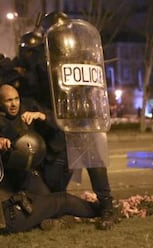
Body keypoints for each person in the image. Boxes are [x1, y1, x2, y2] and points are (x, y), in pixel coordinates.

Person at [38, 11, 118, 230]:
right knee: (57, 172)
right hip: (60, 126)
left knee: (96, 166)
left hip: (83, 122)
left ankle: (108, 209)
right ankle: (56, 208)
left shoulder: (82, 57)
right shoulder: (43, 61)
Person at [0, 83, 101, 232]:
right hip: (7, 178)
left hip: (30, 173)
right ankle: (91, 212)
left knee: (53, 200)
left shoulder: (28, 109)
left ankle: (97, 210)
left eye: (16, 99)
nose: (13, 104)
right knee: (54, 204)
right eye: (8, 100)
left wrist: (41, 116)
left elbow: (61, 124)